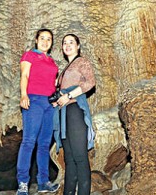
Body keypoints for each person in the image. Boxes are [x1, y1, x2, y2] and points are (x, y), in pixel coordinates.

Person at [16, 29, 60, 195]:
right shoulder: (29, 55)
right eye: (42, 38)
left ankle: (43, 182)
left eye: (49, 39)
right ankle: (22, 183)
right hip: (33, 100)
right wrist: (23, 95)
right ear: (36, 40)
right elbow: (25, 75)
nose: (45, 41)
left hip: (49, 104)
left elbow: (53, 83)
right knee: (29, 141)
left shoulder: (51, 61)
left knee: (44, 144)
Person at [53, 34, 96, 195]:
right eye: (65, 43)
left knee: (80, 157)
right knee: (69, 160)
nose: (68, 45)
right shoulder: (65, 68)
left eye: (71, 42)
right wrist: (57, 100)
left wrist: (69, 96)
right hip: (64, 113)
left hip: (76, 110)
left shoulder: (81, 62)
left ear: (78, 46)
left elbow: (90, 82)